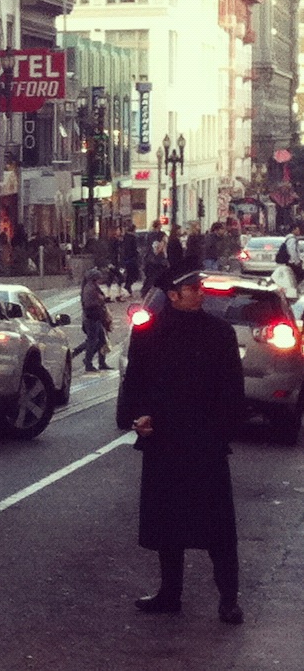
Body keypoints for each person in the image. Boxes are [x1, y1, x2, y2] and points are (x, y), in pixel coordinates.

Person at [116, 266, 245, 625]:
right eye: (193, 288)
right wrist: (138, 416)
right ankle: (170, 592)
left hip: (205, 444)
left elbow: (232, 389)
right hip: (165, 441)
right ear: (173, 294)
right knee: (167, 524)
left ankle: (228, 598)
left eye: (199, 287)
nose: (201, 293)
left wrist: (221, 432)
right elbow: (135, 382)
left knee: (218, 527)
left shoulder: (219, 333)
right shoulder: (150, 332)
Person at [71, 268, 111, 372]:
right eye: (99, 278)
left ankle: (100, 363)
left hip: (97, 317)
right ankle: (88, 363)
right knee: (92, 341)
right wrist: (100, 301)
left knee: (101, 340)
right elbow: (89, 304)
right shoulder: (89, 289)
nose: (100, 280)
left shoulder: (93, 287)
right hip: (92, 318)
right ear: (94, 278)